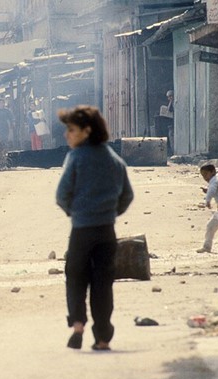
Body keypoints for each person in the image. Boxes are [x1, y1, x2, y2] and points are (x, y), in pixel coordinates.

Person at [55, 105, 134, 351]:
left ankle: (77, 325)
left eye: (71, 130)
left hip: (81, 230)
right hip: (106, 231)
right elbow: (127, 196)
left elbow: (61, 195)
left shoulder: (76, 157)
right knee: (102, 284)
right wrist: (109, 213)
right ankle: (102, 338)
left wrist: (75, 212)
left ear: (86, 131)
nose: (67, 135)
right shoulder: (114, 159)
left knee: (76, 277)